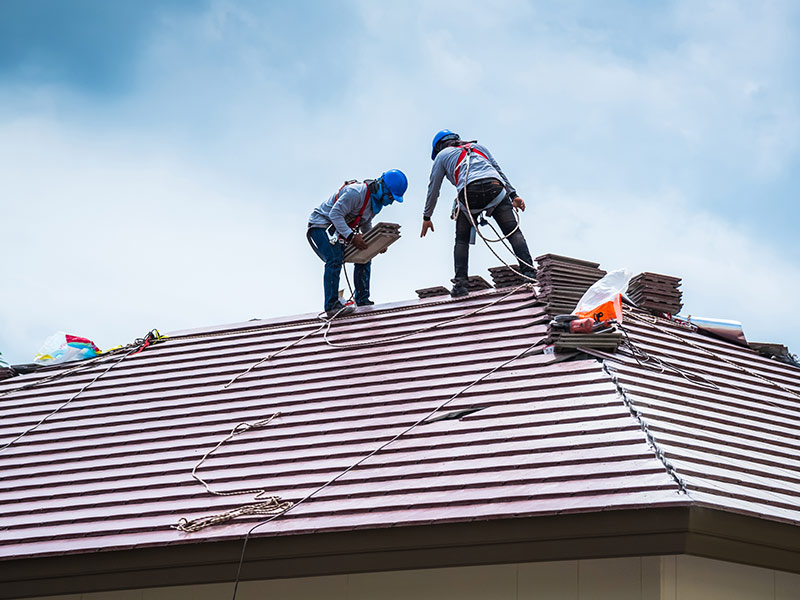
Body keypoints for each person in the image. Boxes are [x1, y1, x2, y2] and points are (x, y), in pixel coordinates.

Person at [420, 130, 536, 297]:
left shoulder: (442, 156)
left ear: (439, 147)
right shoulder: (478, 147)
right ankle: (530, 273)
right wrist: (513, 195)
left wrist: (427, 216)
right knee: (513, 232)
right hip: (495, 187)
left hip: (469, 193)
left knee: (462, 240)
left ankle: (460, 285)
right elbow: (498, 170)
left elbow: (434, 188)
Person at [308, 169, 408, 317]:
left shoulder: (374, 204)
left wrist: (376, 242)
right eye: (390, 197)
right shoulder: (356, 193)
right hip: (321, 225)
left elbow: (365, 223)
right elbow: (335, 214)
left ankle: (362, 300)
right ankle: (331, 305)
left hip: (338, 229)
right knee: (334, 258)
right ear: (383, 188)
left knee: (365, 254)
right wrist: (352, 237)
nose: (391, 202)